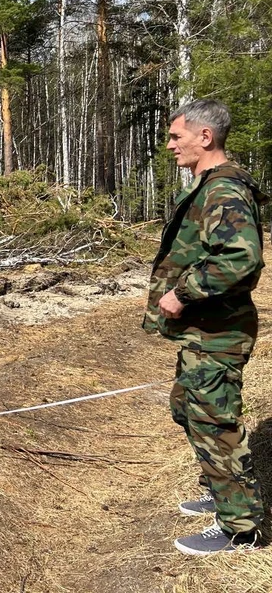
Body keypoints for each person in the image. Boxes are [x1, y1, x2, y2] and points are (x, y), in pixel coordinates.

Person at [144, 99, 267, 555]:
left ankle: (242, 529)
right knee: (189, 408)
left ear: (205, 137)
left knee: (215, 423)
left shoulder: (224, 191)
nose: (170, 144)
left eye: (177, 136)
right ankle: (222, 492)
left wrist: (181, 293)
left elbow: (241, 258)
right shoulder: (210, 185)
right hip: (206, 332)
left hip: (219, 333)